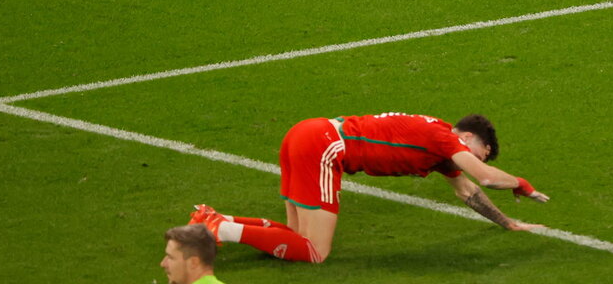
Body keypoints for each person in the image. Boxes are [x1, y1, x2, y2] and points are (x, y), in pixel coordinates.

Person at [187, 113, 548, 263]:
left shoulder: (440, 152)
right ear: (466, 137)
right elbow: (484, 178)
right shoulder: (444, 138)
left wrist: (509, 223)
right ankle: (222, 230)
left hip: (307, 133)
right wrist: (522, 184)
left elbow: (469, 191)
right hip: (324, 146)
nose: (478, 162)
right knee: (315, 252)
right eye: (479, 154)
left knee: (296, 237)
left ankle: (215, 220)